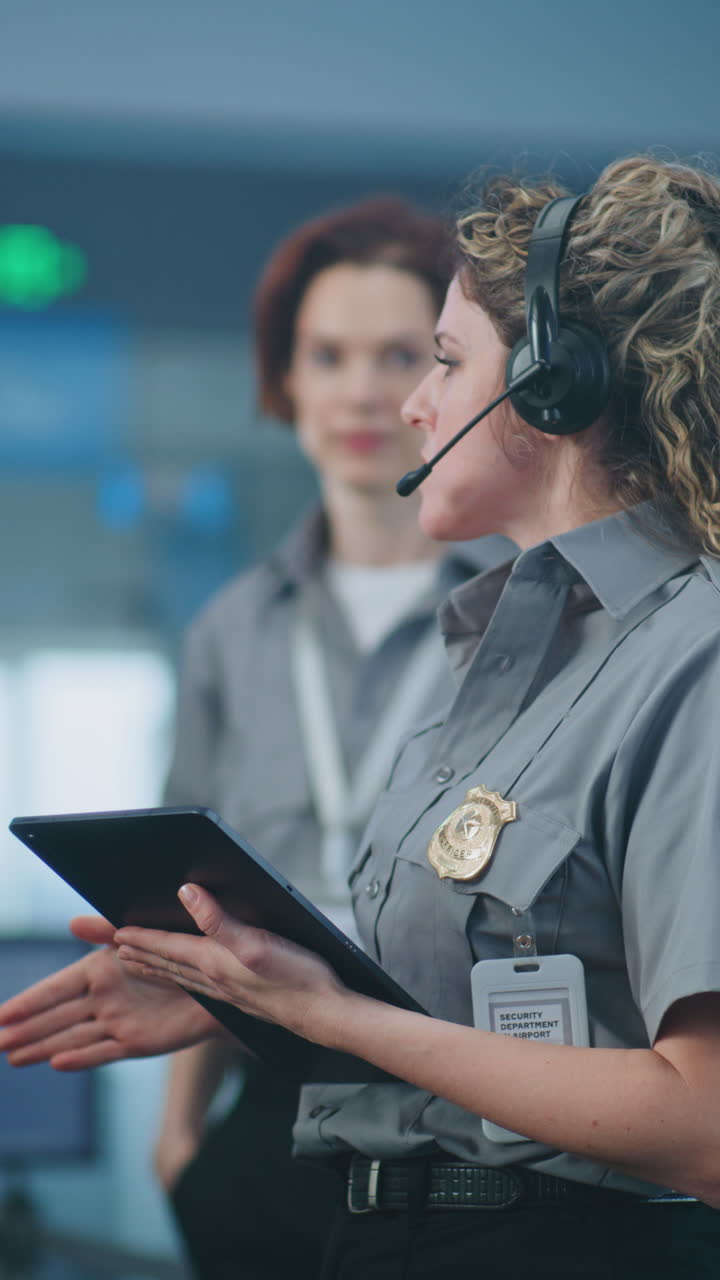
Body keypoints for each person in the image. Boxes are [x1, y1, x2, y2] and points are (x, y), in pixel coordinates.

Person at [3, 154, 720, 1280]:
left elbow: (705, 1122)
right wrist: (240, 992)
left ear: (552, 389)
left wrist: (337, 1020)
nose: (409, 406)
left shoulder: (694, 653)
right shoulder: (503, 647)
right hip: (381, 1226)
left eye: (438, 361)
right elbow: (490, 987)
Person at [147, 197, 513, 1280]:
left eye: (401, 352)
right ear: (285, 378)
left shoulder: (529, 611)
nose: (361, 389)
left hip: (468, 1103)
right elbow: (192, 892)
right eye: (327, 354)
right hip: (269, 1108)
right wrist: (180, 1142)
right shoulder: (232, 631)